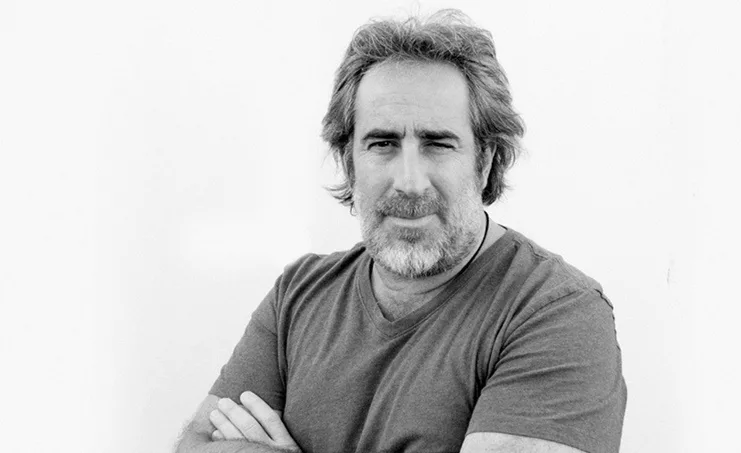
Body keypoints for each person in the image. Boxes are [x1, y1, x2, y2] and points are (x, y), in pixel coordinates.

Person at [176, 9, 626, 453]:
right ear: (349, 162)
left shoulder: (556, 312)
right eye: (383, 143)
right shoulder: (297, 295)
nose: (409, 181)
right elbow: (194, 446)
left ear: (485, 160)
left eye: (437, 143)